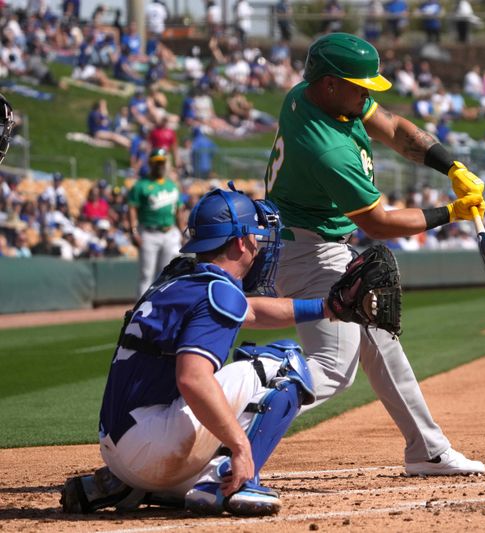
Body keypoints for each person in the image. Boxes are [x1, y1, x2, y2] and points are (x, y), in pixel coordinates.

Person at [264, 33, 485, 476]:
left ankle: (426, 449)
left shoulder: (315, 96)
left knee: (382, 341)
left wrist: (451, 166)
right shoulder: (327, 149)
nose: (367, 92)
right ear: (328, 84)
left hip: (313, 244)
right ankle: (219, 426)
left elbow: (393, 127)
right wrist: (451, 212)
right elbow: (378, 223)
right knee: (331, 370)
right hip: (309, 253)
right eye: (358, 84)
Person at [59, 185, 341, 516]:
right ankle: (223, 483)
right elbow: (192, 379)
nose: (258, 244)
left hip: (120, 446)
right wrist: (239, 446)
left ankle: (127, 486)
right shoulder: (217, 292)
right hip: (152, 445)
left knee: (215, 389)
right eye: (255, 236)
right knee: (285, 363)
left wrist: (329, 307)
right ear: (239, 242)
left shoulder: (180, 280)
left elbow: (251, 311)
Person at [128, 148, 183, 296]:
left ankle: (162, 308)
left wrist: (182, 230)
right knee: (146, 274)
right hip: (149, 232)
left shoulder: (171, 185)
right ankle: (141, 311)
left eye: (162, 162)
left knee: (166, 274)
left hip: (169, 232)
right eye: (156, 163)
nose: (159, 165)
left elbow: (178, 210)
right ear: (150, 164)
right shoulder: (141, 185)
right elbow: (132, 208)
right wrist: (133, 231)